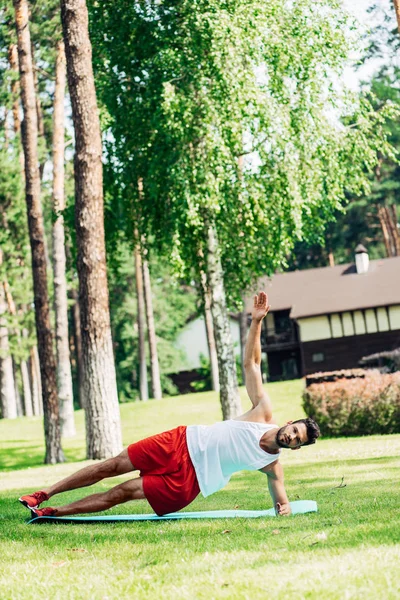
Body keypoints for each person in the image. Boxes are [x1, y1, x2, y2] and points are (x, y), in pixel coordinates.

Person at [19, 291, 320, 519]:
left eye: (296, 441)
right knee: (111, 465)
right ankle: (42, 495)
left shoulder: (271, 465)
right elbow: (251, 364)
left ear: (295, 448)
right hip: (180, 441)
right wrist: (256, 323)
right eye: (294, 430)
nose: (291, 436)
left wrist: (284, 509)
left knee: (122, 492)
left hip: (190, 481)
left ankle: (53, 512)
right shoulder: (262, 413)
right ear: (290, 422)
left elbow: (281, 502)